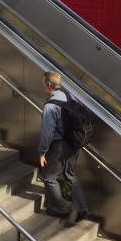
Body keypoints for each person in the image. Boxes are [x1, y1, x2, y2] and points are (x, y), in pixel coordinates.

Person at [39, 71, 89, 222]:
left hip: (60, 146)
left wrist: (42, 152)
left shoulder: (50, 107)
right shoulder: (69, 96)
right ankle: (82, 208)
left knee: (48, 176)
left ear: (48, 85)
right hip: (75, 143)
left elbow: (47, 134)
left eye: (43, 83)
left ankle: (59, 209)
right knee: (70, 174)